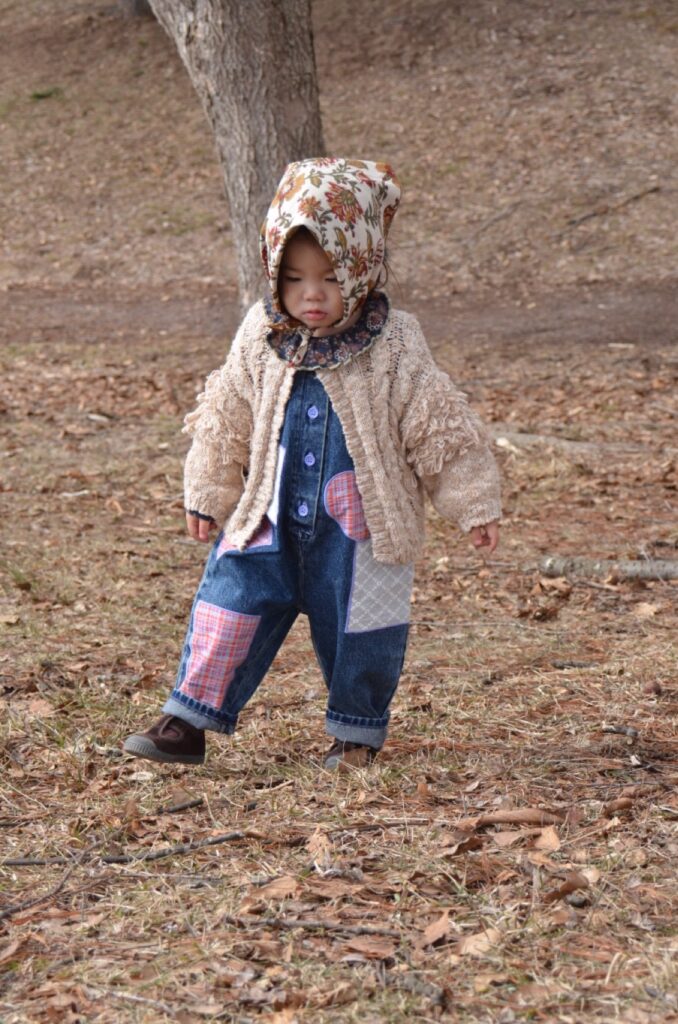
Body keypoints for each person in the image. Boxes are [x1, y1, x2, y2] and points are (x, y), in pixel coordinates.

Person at [123, 157, 501, 770]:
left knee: (363, 628)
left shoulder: (395, 342)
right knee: (228, 602)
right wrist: (208, 490)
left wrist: (472, 501)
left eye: (330, 277)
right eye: (295, 278)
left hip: (360, 530)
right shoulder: (260, 333)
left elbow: (437, 423)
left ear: (363, 266)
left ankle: (355, 733)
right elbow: (226, 413)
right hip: (265, 516)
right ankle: (187, 720)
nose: (312, 295)